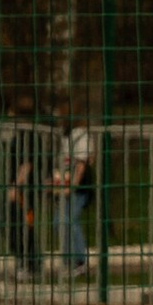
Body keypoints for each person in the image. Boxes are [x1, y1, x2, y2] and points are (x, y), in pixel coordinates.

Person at [50, 113, 96, 275]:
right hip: (65, 183)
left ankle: (79, 260)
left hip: (80, 187)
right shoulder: (65, 134)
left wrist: (72, 186)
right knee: (59, 222)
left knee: (69, 221)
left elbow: (82, 163)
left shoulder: (80, 134)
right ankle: (68, 259)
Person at [3, 96, 43, 278]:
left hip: (25, 190)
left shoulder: (30, 135)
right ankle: (24, 261)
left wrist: (16, 187)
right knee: (9, 224)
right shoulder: (18, 135)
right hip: (18, 187)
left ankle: (30, 264)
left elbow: (27, 164)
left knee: (23, 225)